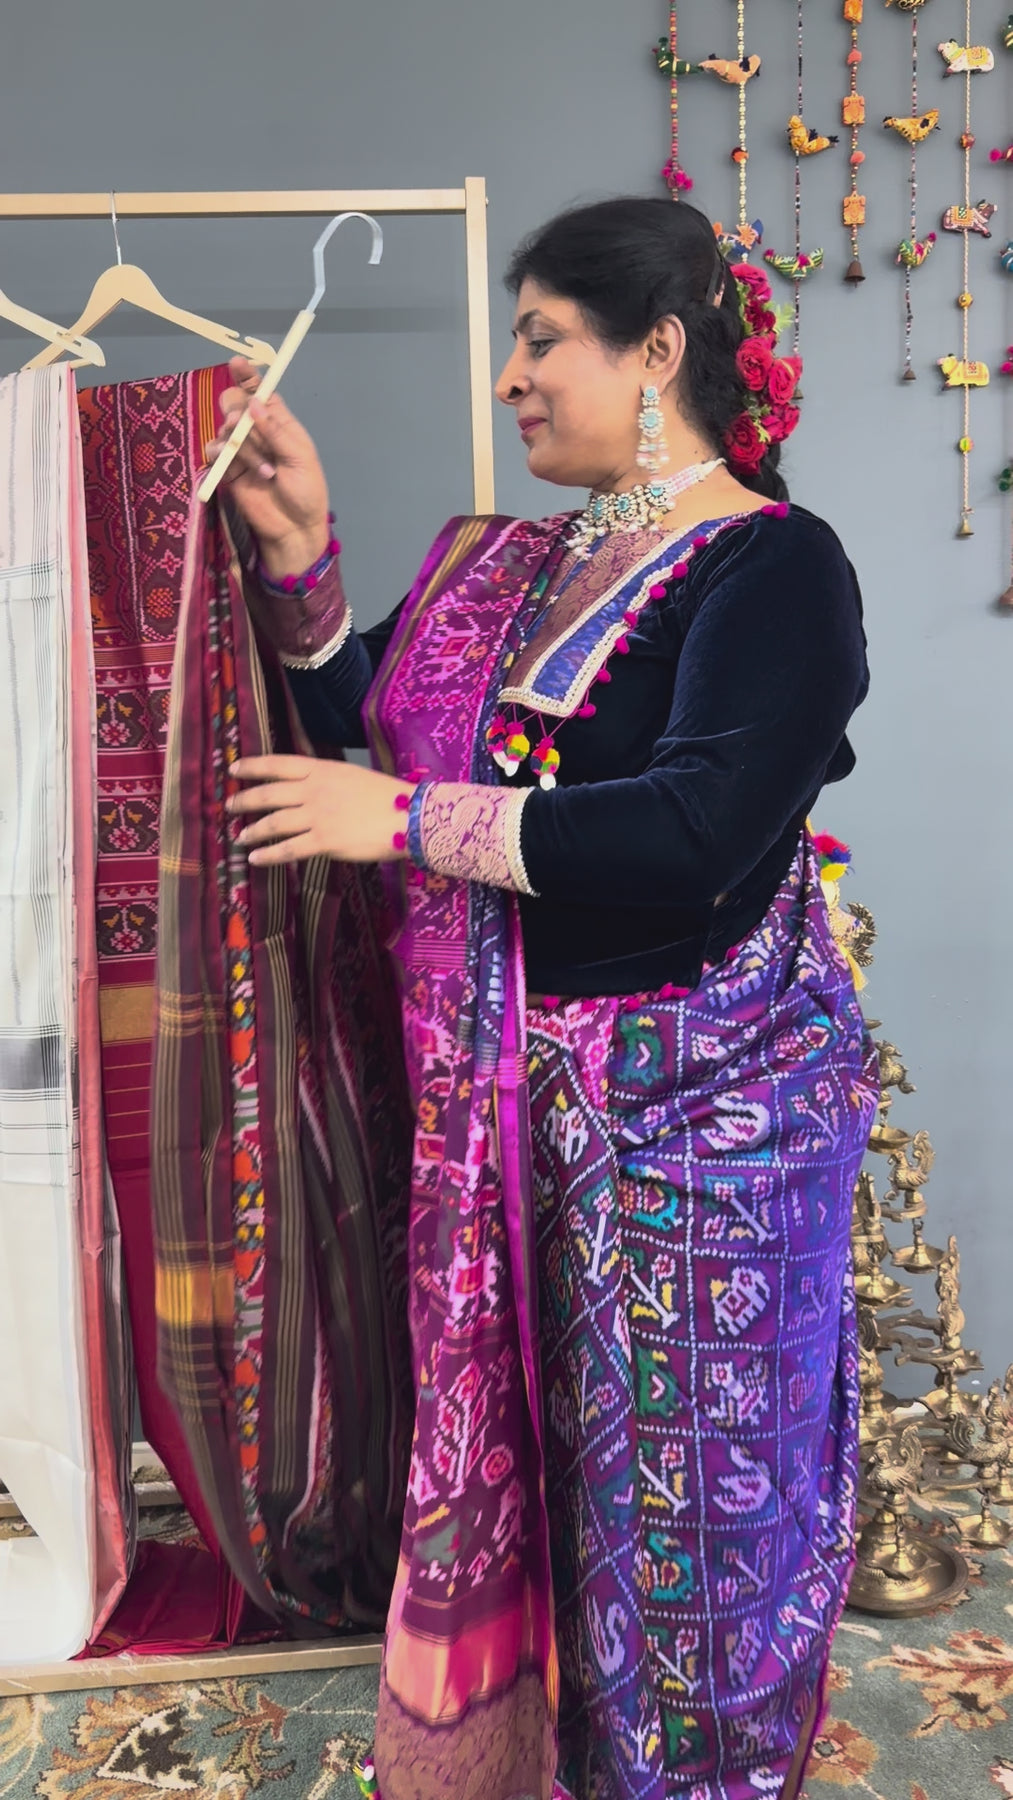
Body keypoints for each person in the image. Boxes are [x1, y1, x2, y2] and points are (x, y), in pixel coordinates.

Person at [208, 197, 877, 1800]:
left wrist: (410, 824)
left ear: (656, 352)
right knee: (560, 1504)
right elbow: (365, 724)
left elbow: (696, 832)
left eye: (540, 339)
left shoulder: (770, 566)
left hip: (700, 1135)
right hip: (510, 1118)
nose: (508, 376)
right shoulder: (516, 566)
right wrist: (299, 548)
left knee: (691, 1525)